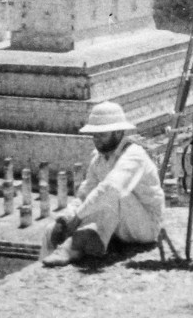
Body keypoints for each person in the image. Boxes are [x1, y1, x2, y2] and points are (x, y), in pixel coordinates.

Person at [41, 101, 165, 267]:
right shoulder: (99, 159)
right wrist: (66, 217)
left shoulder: (135, 155)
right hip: (120, 223)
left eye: (102, 135)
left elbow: (111, 189)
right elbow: (85, 194)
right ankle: (64, 254)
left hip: (145, 226)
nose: (97, 140)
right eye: (94, 135)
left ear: (118, 132)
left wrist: (78, 218)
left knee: (113, 192)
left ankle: (75, 245)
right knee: (53, 229)